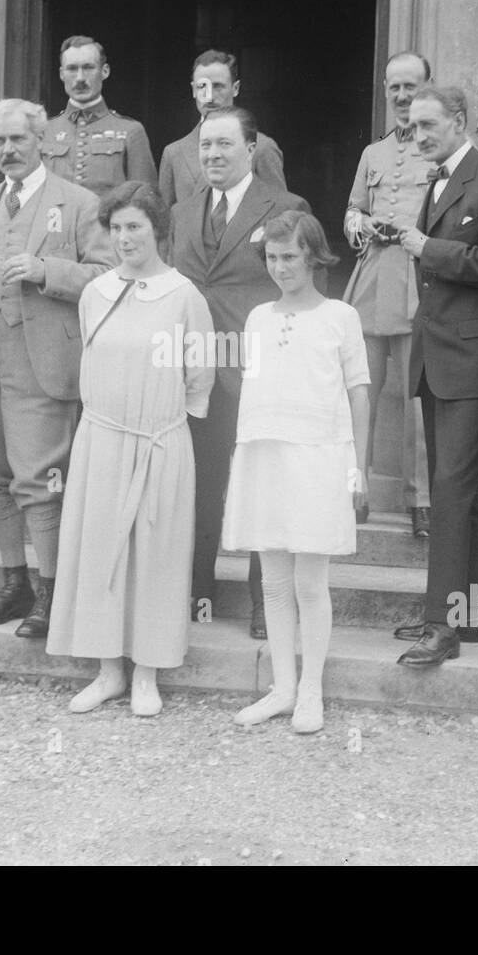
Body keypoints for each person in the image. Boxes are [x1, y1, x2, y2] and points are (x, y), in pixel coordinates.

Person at [46, 182, 215, 716]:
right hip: (100, 441)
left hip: (160, 441)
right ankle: (108, 671)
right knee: (101, 553)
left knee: (155, 555)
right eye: (115, 228)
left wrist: (161, 426)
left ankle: (147, 673)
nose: (124, 238)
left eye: (134, 227)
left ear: (157, 229)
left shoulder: (184, 295)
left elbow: (199, 376)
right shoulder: (95, 293)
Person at [0, 99, 115, 639]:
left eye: (18, 140)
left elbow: (109, 274)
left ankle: (50, 591)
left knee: (40, 477)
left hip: (41, 358)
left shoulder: (78, 203)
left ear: (41, 141)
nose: (7, 151)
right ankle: (14, 582)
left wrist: (47, 269)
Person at [395, 86, 478, 666]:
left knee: (449, 487)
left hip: (476, 359)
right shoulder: (439, 179)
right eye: (412, 127)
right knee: (459, 490)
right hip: (439, 354)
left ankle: (440, 626)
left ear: (460, 121)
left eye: (429, 125)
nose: (419, 136)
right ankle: (468, 618)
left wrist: (426, 247)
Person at [222, 210, 370, 734]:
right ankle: (282, 688)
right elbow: (257, 391)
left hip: (320, 456)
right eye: (273, 258)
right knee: (275, 582)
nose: (280, 267)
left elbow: (358, 392)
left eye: (290, 257)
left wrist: (358, 469)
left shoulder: (340, 316)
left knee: (311, 581)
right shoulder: (259, 317)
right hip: (267, 453)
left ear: (313, 257)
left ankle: (312, 691)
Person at [169, 105, 313, 640]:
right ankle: (196, 595)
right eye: (205, 146)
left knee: (262, 489)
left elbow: (296, 291)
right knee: (199, 488)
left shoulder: (284, 207)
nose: (212, 155)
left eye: (224, 145)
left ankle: (265, 602)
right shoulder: (182, 212)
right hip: (195, 371)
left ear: (250, 149)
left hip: (257, 370)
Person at [341, 51, 434, 537]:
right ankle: (357, 490)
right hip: (372, 281)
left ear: (427, 88)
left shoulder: (441, 151)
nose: (402, 96)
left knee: (416, 394)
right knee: (361, 391)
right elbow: (352, 211)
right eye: (394, 87)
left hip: (417, 285)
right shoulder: (372, 153)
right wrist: (362, 225)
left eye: (412, 87)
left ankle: (421, 499)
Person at [158, 49, 286, 207]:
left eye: (218, 86)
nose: (209, 96)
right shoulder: (174, 153)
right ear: (193, 90)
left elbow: (280, 216)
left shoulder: (262, 148)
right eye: (201, 87)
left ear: (236, 88)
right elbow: (164, 223)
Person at [41, 35, 157, 197]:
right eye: (72, 69)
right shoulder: (44, 130)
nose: (80, 78)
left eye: (88, 68)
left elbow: (145, 200)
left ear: (104, 71)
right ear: (62, 74)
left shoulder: (131, 131)